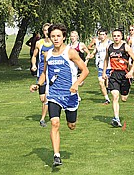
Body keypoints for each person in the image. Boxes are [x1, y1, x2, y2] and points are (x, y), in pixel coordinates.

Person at [29, 23, 89, 166]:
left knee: (71, 125)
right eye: (53, 36)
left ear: (64, 37)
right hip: (54, 95)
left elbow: (85, 70)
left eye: (58, 36)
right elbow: (44, 73)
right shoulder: (47, 55)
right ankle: (56, 156)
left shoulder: (70, 52)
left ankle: (72, 120)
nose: (56, 39)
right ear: (49, 37)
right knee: (55, 123)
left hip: (70, 96)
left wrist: (76, 84)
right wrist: (38, 84)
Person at [103, 29, 134, 127]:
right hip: (114, 74)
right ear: (112, 37)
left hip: (125, 75)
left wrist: (131, 71)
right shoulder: (109, 48)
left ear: (121, 37)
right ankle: (116, 118)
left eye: (118, 36)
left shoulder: (125, 47)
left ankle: (127, 89)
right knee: (115, 96)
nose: (116, 38)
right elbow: (106, 59)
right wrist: (104, 72)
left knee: (124, 98)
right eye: (114, 36)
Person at [31, 23, 53, 127]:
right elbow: (34, 56)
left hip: (52, 74)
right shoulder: (39, 43)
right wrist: (34, 65)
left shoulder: (55, 43)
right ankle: (49, 111)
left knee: (46, 98)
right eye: (45, 30)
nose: (47, 32)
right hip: (41, 74)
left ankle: (42, 119)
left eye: (48, 30)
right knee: (42, 98)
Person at [88, 29, 112, 104]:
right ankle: (107, 99)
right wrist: (89, 56)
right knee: (101, 82)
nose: (101, 36)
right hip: (101, 66)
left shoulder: (110, 43)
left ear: (106, 35)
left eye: (103, 34)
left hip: (110, 66)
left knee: (107, 83)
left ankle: (108, 90)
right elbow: (94, 53)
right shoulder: (98, 45)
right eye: (100, 34)